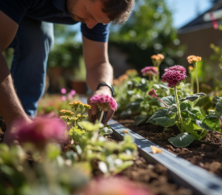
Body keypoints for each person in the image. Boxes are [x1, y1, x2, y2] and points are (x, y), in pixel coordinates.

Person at [0, 0, 134, 142]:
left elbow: (98, 62)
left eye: (99, 21)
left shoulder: (97, 13)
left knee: (38, 41)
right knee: (37, 39)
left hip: (30, 9)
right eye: (88, 14)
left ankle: (23, 124)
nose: (89, 25)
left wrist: (104, 88)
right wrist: (14, 118)